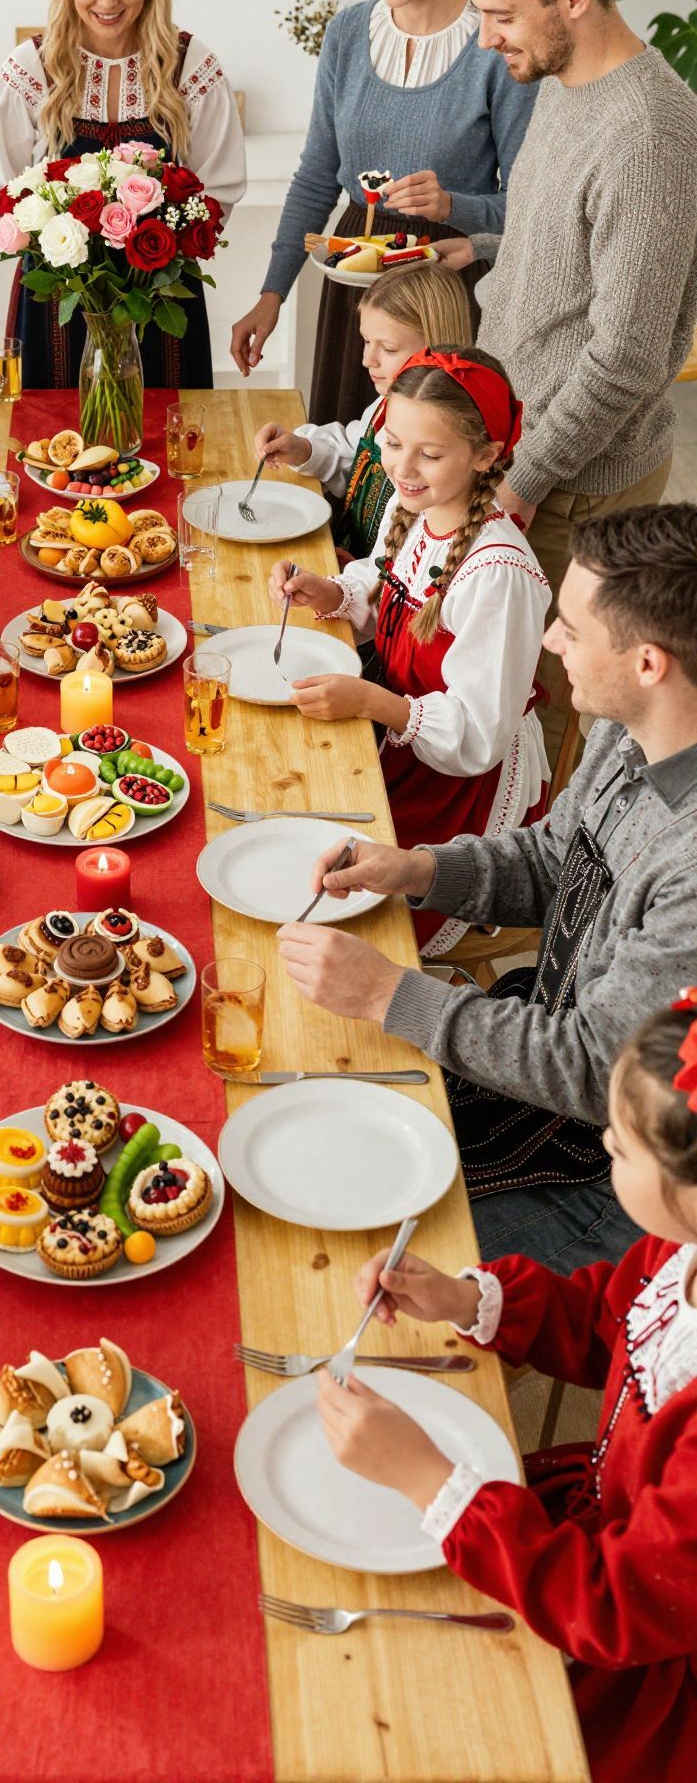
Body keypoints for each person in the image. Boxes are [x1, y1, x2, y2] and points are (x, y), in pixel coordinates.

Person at [277, 504, 697, 1269]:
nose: (548, 641)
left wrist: (388, 994)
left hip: (622, 1173)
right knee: (311, 1129)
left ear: (647, 663)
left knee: (352, 1257)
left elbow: (595, 1069)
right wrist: (416, 869)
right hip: (545, 1035)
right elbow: (552, 859)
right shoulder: (627, 724)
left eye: (570, 627)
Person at [318, 991, 697, 1783]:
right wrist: (466, 1299)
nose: (603, 1144)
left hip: (624, 1637)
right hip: (585, 1539)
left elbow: (615, 1605)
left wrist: (429, 1479)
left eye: (620, 1149)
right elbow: (606, 1320)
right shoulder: (677, 1255)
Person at [434, 0, 697, 750]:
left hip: (577, 481)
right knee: (490, 694)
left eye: (501, 15)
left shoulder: (651, 134)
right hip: (520, 445)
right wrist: (485, 251)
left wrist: (520, 484)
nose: (486, 37)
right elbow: (566, 252)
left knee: (544, 725)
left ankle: (548, 891)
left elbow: (626, 353)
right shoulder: (564, 79)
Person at [230, 0, 535, 427]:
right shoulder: (348, 32)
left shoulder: (494, 43)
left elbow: (532, 204)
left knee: (431, 458)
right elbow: (318, 176)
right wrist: (271, 295)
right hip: (355, 273)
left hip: (446, 285)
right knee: (345, 453)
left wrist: (454, 206)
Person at [269, 349, 548, 953]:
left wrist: (376, 702)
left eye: (430, 453)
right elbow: (388, 587)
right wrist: (335, 592)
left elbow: (478, 736)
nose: (403, 467)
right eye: (393, 444)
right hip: (405, 743)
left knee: (331, 905)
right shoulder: (418, 508)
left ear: (486, 455)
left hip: (460, 789)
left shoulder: (496, 572)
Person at [0, 0, 246, 391]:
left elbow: (220, 187)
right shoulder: (32, 67)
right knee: (53, 445)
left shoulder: (190, 64)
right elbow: (0, 188)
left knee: (165, 436)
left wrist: (165, 243)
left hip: (161, 296)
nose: (107, 1)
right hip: (58, 300)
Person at [251, 261, 472, 559]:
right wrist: (302, 449)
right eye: (366, 341)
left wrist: (363, 576)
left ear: (437, 347)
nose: (368, 359)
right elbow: (355, 458)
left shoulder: (446, 447)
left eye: (389, 348)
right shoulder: (385, 405)